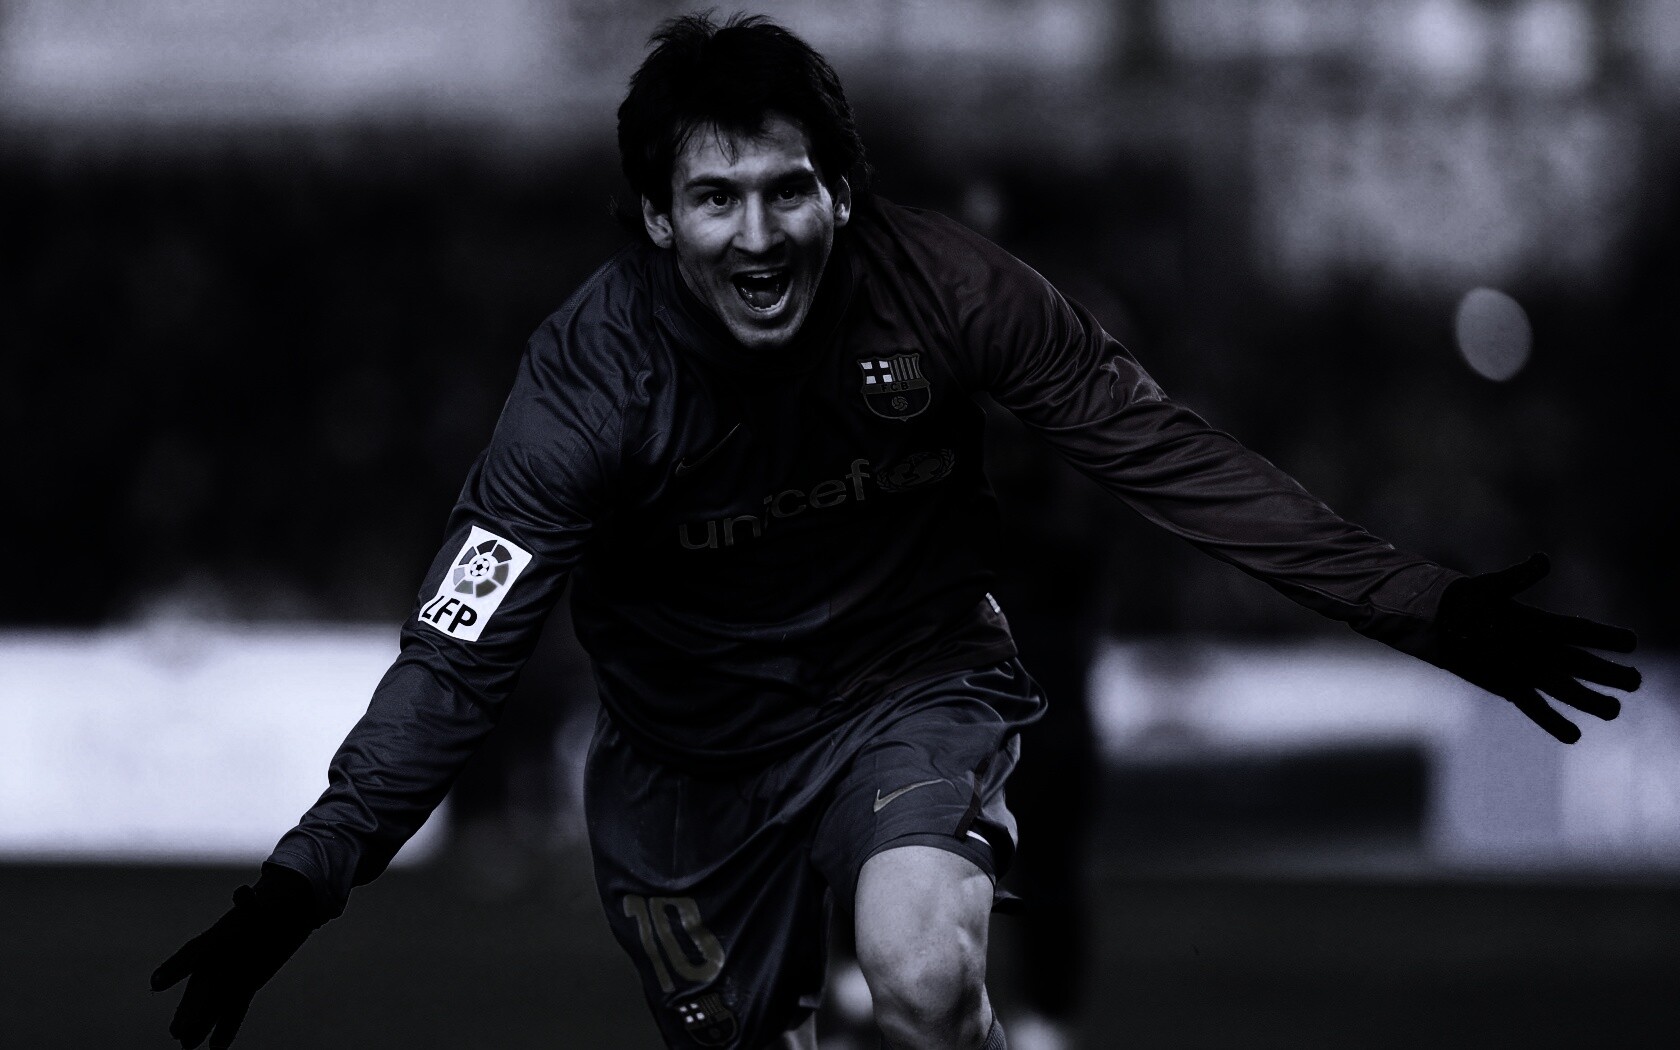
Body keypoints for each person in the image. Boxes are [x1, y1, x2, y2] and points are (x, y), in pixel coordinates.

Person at [151, 14, 1642, 1050]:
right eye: (714, 198)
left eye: (788, 190)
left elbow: (1172, 461)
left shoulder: (954, 293)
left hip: (907, 685)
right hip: (685, 768)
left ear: (844, 192)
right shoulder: (582, 390)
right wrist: (305, 876)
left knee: (925, 981)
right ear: (656, 220)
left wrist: (1424, 606)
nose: (759, 235)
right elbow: (455, 657)